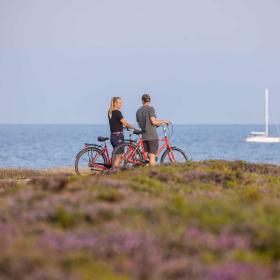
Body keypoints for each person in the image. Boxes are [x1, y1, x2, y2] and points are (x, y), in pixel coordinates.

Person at [136, 94, 170, 166]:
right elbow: (153, 121)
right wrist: (164, 121)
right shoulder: (151, 109)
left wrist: (157, 123)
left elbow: (140, 125)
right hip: (152, 135)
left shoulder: (138, 111)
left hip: (144, 136)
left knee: (145, 156)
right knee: (152, 156)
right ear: (150, 100)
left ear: (142, 101)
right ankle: (152, 173)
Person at [108, 97, 134, 168]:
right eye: (120, 103)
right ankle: (114, 172)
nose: (121, 104)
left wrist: (124, 127)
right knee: (119, 156)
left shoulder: (110, 112)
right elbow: (125, 123)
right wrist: (134, 127)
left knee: (116, 156)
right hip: (118, 136)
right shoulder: (117, 112)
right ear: (115, 103)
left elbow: (115, 124)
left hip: (113, 136)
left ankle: (112, 171)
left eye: (121, 103)